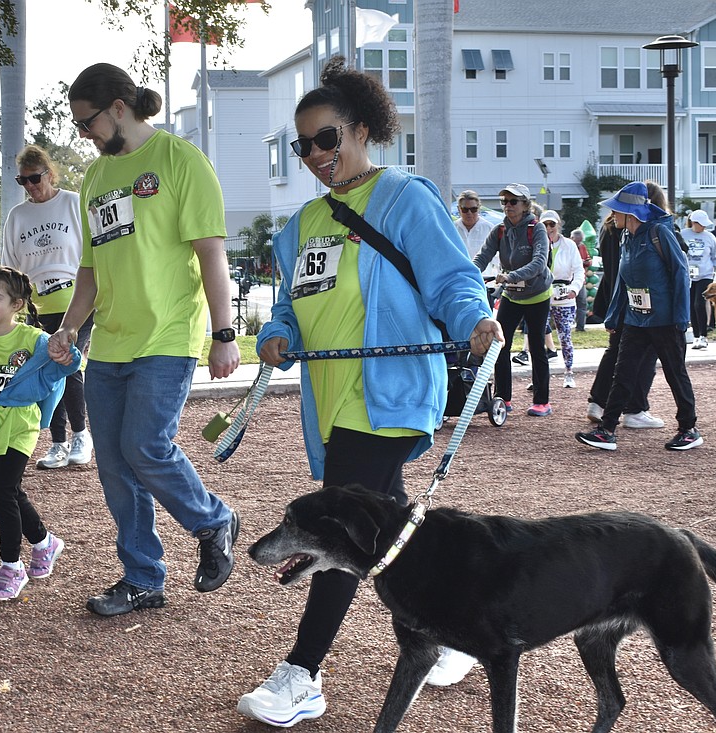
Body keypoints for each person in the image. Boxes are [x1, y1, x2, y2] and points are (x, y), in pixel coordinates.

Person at [237, 56, 501, 728]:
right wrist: (274, 334)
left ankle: (303, 671)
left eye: (327, 139)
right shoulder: (299, 225)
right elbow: (289, 309)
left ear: (359, 130)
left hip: (388, 396)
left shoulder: (406, 196)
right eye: (304, 146)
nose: (316, 155)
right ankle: (449, 630)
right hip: (327, 401)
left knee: (338, 530)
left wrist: (475, 321)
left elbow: (451, 280)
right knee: (394, 528)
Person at [47, 63, 240, 617]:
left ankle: (213, 520)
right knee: (113, 463)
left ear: (117, 108)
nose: (84, 134)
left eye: (88, 123)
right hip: (108, 342)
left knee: (145, 446)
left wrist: (225, 333)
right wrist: (69, 328)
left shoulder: (181, 161)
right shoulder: (95, 178)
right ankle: (142, 577)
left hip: (168, 334)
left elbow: (211, 254)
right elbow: (90, 267)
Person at [0, 267, 81, 600]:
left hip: (22, 422)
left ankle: (11, 567)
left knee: (0, 494)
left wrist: (65, 351)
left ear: (16, 304)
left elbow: (67, 364)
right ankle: (45, 542)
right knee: (10, 491)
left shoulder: (33, 340)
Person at [576, 181, 702, 452]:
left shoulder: (659, 233)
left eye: (617, 211)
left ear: (630, 214)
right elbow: (623, 281)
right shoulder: (626, 237)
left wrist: (682, 317)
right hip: (636, 319)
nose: (612, 215)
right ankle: (606, 429)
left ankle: (689, 429)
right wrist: (613, 316)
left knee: (675, 373)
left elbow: (680, 273)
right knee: (623, 373)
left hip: (665, 320)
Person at [0, 143, 93, 470]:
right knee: (45, 371)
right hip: (37, 305)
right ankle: (58, 442)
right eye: (22, 181)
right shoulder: (17, 216)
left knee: (66, 363)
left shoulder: (73, 204)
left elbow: (92, 255)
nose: (30, 187)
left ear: (50, 174)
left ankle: (81, 435)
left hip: (76, 301)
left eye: (35, 179)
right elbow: (9, 268)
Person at [586, 183, 668, 430]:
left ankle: (598, 402)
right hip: (640, 301)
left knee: (615, 353)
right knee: (644, 355)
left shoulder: (609, 227)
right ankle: (635, 408)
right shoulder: (649, 229)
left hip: (615, 297)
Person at [473, 183, 554, 416]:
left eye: (513, 202)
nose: (508, 206)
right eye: (504, 202)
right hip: (511, 294)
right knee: (500, 344)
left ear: (525, 204)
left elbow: (539, 263)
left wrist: (511, 276)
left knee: (537, 346)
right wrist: (468, 274)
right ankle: (503, 398)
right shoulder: (499, 230)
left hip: (537, 294)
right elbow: (482, 256)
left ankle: (542, 401)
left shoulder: (536, 228)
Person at [540, 211, 584, 388]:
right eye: (545, 225)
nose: (549, 228)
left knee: (565, 335)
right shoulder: (538, 244)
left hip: (564, 296)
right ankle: (539, 376)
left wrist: (574, 289)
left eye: (552, 224)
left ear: (558, 224)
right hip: (542, 295)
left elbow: (579, 270)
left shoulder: (569, 245)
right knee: (537, 336)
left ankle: (568, 372)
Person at [681, 209, 716, 350]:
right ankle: (695, 336)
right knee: (691, 306)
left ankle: (703, 336)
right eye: (701, 224)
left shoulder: (710, 237)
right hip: (688, 275)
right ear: (694, 223)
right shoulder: (683, 234)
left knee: (699, 304)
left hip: (705, 275)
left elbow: (715, 257)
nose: (704, 227)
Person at [454, 190, 497, 306]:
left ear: (479, 208)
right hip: (458, 285)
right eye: (465, 209)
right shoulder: (452, 229)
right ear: (459, 209)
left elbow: (498, 260)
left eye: (473, 209)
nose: (469, 213)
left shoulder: (489, 229)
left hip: (483, 284)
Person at [570, 228, 591, 331]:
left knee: (582, 303)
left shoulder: (582, 247)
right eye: (577, 241)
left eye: (580, 240)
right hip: (569, 279)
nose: (579, 243)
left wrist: (585, 261)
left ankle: (580, 327)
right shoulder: (568, 246)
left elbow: (588, 260)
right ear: (572, 238)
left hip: (580, 279)